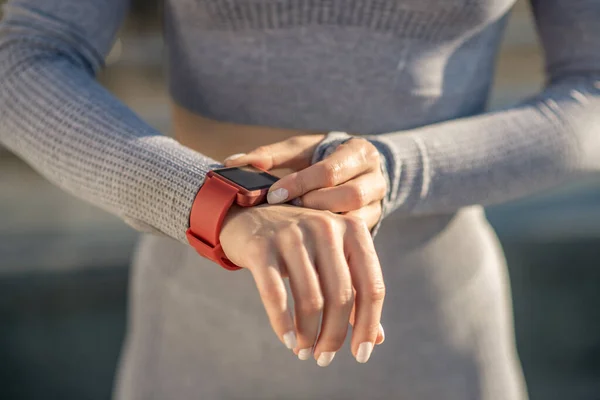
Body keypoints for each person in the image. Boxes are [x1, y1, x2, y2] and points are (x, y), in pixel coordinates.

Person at [0, 0, 598, 398]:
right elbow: (20, 58)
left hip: (438, 344)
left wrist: (394, 170)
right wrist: (214, 200)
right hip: (199, 343)